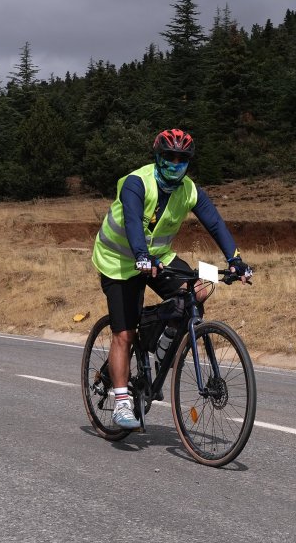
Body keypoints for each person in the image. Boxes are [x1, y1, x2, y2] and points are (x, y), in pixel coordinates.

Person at [92, 128, 253, 429]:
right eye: (169, 157)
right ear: (158, 157)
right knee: (124, 334)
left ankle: (164, 342)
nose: (175, 163)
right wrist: (140, 255)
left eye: (182, 159)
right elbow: (132, 223)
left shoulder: (189, 190)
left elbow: (215, 222)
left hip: (158, 256)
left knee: (203, 286)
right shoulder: (136, 183)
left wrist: (236, 261)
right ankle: (122, 401)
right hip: (119, 261)